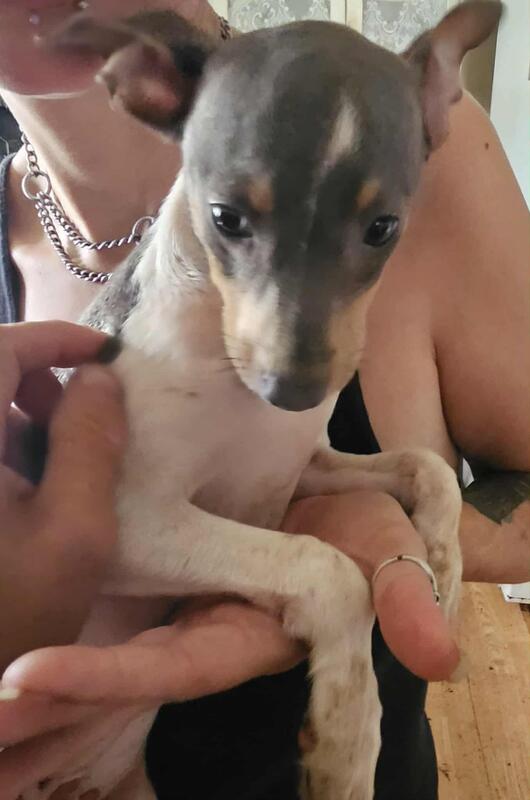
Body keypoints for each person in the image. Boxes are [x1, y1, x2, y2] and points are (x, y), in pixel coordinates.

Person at [0, 0, 528, 798]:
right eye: (232, 219)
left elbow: (276, 466)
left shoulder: (402, 136)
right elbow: (120, 521)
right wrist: (309, 577)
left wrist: (421, 526)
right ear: (145, 80)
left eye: (377, 230)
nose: (292, 364)